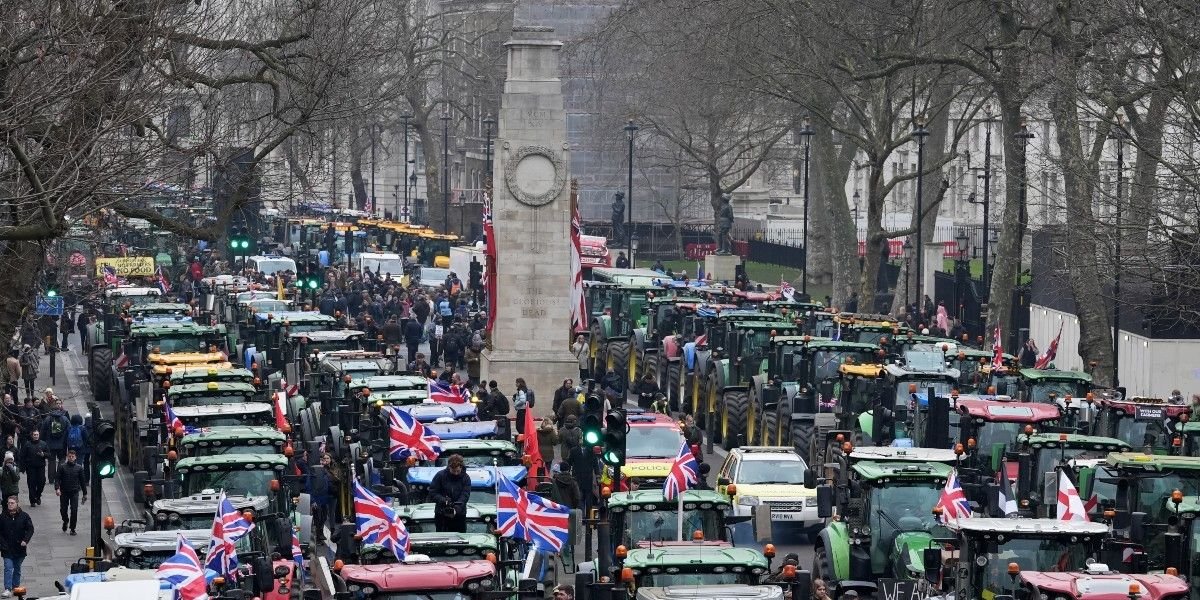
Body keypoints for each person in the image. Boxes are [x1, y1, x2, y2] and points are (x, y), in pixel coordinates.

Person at [0, 496, 33, 596]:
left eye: (12, 503)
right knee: (8, 568)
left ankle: (15, 587)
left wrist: (25, 540)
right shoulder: (2, 516)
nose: (10, 504)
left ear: (17, 504)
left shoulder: (24, 516)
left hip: (19, 548)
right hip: (7, 548)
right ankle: (7, 589)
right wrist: (2, 543)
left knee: (17, 568)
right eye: (8, 503)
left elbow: (30, 529)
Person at [429, 455, 471, 533]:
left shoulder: (466, 478)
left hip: (459, 515)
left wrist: (456, 509)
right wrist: (443, 500)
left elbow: (465, 495)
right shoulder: (440, 476)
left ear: (461, 467)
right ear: (449, 467)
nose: (455, 473)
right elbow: (433, 492)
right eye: (453, 471)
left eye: (457, 471)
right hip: (441, 514)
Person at [310, 453, 341, 544]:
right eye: (324, 458)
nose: (326, 460)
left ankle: (332, 532)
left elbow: (338, 479)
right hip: (323, 494)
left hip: (333, 494)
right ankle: (320, 532)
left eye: (328, 458)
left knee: (331, 513)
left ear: (331, 459)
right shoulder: (320, 469)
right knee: (322, 514)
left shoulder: (335, 468)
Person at [40, 396, 70, 485]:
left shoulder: (48, 419)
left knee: (51, 461)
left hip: (50, 444)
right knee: (62, 460)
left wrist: (42, 443)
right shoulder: (64, 419)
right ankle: (60, 477)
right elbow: (69, 430)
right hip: (62, 444)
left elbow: (42, 431)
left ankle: (51, 479)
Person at [55, 449, 86, 535]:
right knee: (63, 510)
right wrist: (57, 488)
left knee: (74, 510)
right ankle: (65, 520)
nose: (71, 458)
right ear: (67, 457)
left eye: (73, 456)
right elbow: (57, 478)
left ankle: (72, 528)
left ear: (75, 457)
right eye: (69, 456)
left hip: (74, 492)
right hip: (64, 492)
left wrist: (85, 493)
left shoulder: (79, 468)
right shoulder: (62, 467)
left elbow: (83, 481)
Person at [18, 431, 47, 506]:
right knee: (31, 484)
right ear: (32, 436)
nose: (36, 436)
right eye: (34, 435)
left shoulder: (43, 444)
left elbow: (49, 454)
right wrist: (22, 467)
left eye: (37, 435)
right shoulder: (27, 444)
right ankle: (32, 501)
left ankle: (37, 495)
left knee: (42, 482)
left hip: (41, 466)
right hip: (30, 467)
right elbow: (22, 456)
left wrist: (43, 454)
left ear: (39, 435)